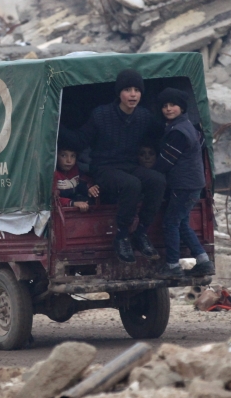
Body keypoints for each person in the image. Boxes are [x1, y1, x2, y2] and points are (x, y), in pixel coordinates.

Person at [61, 69, 165, 263]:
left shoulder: (143, 116)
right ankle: (122, 236)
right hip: (104, 168)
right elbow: (80, 140)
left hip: (130, 165)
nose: (133, 94)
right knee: (131, 184)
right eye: (127, 89)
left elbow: (161, 134)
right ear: (119, 93)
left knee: (157, 180)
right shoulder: (101, 115)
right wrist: (57, 127)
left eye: (137, 90)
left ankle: (141, 233)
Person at [152, 87, 215, 279]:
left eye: (173, 105)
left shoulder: (178, 132)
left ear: (182, 107)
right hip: (195, 184)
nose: (169, 109)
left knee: (170, 222)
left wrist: (147, 176)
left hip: (183, 185)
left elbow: (166, 162)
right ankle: (203, 261)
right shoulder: (189, 127)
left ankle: (172, 266)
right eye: (165, 106)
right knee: (182, 222)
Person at [54, 144, 99, 211]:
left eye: (73, 156)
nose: (69, 160)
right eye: (63, 155)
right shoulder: (53, 175)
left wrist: (89, 189)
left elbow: (82, 184)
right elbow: (51, 200)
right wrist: (72, 203)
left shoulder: (75, 170)